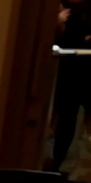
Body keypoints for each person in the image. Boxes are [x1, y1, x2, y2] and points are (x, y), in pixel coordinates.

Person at [50, 0, 91, 173]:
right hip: (65, 71)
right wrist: (58, 24)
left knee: (69, 122)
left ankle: (62, 167)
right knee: (64, 121)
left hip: (80, 70)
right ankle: (57, 166)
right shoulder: (62, 8)